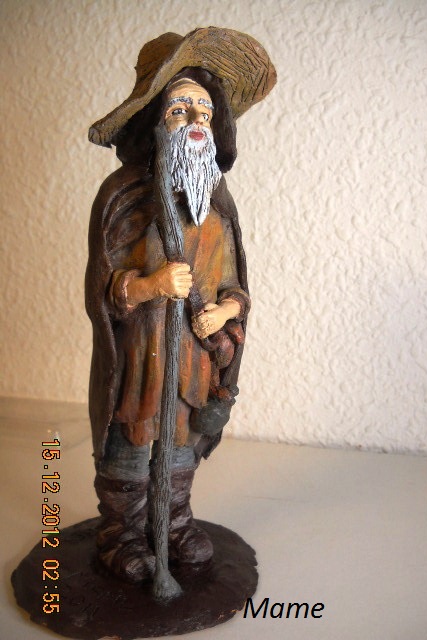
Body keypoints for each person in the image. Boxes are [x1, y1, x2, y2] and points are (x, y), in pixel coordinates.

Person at [86, 28, 276, 583]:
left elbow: (235, 287)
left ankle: (172, 522)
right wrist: (150, 286)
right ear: (156, 122)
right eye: (179, 109)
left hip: (192, 358)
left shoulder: (218, 212)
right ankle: (121, 535)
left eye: (204, 111)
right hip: (140, 357)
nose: (194, 119)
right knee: (132, 442)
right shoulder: (124, 198)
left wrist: (224, 313)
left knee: (179, 446)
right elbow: (104, 286)